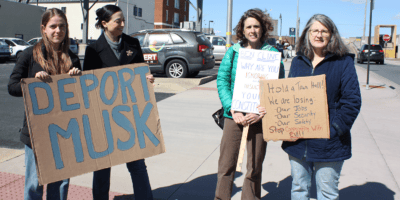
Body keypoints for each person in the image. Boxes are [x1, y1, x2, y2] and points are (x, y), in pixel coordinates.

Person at [261, 14, 361, 200]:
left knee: (327, 193)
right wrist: (274, 115)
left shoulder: (343, 62)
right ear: (307, 33)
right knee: (299, 189)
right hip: (298, 142)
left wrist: (333, 129)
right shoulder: (299, 61)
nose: (319, 35)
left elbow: (352, 101)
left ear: (332, 35)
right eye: (315, 30)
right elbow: (288, 97)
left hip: (330, 142)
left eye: (324, 31)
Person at [8, 8, 81, 200]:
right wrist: (33, 82)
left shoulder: (72, 58)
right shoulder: (29, 55)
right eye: (53, 26)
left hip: (65, 130)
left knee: (61, 181)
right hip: (37, 131)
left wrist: (78, 81)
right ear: (44, 29)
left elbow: (80, 97)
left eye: (62, 26)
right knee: (35, 181)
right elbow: (12, 87)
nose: (58, 30)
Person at [83, 5, 154, 200]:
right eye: (118, 21)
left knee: (137, 165)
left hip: (130, 117)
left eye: (123, 20)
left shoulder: (133, 44)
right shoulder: (93, 51)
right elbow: (88, 87)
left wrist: (146, 79)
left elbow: (141, 72)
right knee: (102, 168)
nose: (123, 24)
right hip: (105, 119)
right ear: (104, 24)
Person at [215, 8, 285, 200]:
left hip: (259, 118)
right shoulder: (234, 52)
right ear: (242, 30)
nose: (253, 30)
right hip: (233, 116)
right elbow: (222, 81)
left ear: (263, 29)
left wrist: (264, 110)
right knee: (226, 166)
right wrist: (233, 108)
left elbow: (278, 88)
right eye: (249, 27)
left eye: (256, 26)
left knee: (254, 168)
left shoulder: (272, 55)